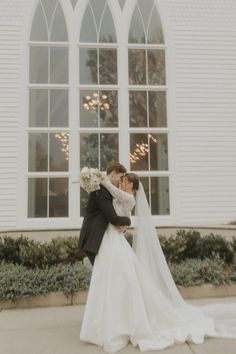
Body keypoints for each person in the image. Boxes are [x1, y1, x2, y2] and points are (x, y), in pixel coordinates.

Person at [80, 173, 236, 353]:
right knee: (115, 279)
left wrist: (105, 182)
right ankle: (110, 320)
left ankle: (123, 322)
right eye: (121, 181)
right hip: (112, 240)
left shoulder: (128, 197)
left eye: (125, 182)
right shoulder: (118, 194)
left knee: (122, 278)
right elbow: (111, 209)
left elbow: (118, 210)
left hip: (116, 240)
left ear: (132, 186)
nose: (122, 183)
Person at [78, 162, 131, 266]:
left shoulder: (107, 189)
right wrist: (129, 221)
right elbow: (113, 219)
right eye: (120, 177)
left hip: (99, 238)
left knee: (105, 274)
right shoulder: (101, 190)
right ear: (113, 173)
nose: (120, 182)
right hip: (92, 239)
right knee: (101, 273)